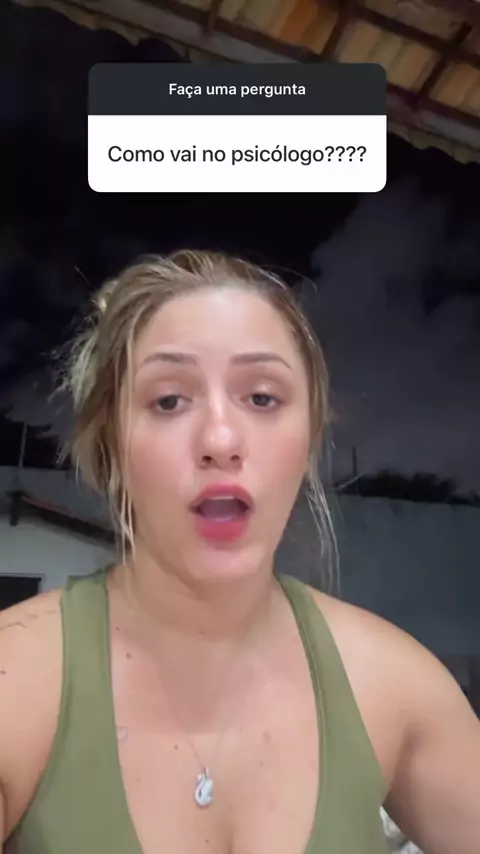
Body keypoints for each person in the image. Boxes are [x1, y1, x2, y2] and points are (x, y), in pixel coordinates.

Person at [0, 249, 479, 854]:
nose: (221, 439)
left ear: (309, 439)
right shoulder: (16, 683)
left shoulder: (395, 685)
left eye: (262, 398)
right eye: (169, 401)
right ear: (113, 445)